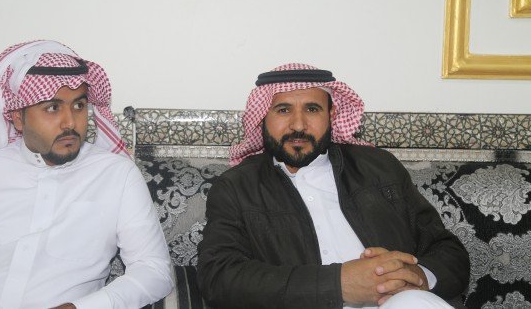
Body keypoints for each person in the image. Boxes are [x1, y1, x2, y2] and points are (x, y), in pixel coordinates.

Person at [0, 40, 173, 309]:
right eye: (52, 108)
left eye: (79, 106)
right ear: (18, 117)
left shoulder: (116, 175)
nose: (70, 122)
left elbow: (154, 270)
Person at [197, 63, 469, 309]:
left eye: (312, 109)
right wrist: (337, 285)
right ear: (262, 118)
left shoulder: (379, 168)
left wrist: (419, 277)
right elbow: (218, 279)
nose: (298, 125)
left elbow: (448, 252)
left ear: (332, 114)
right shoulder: (236, 187)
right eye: (283, 110)